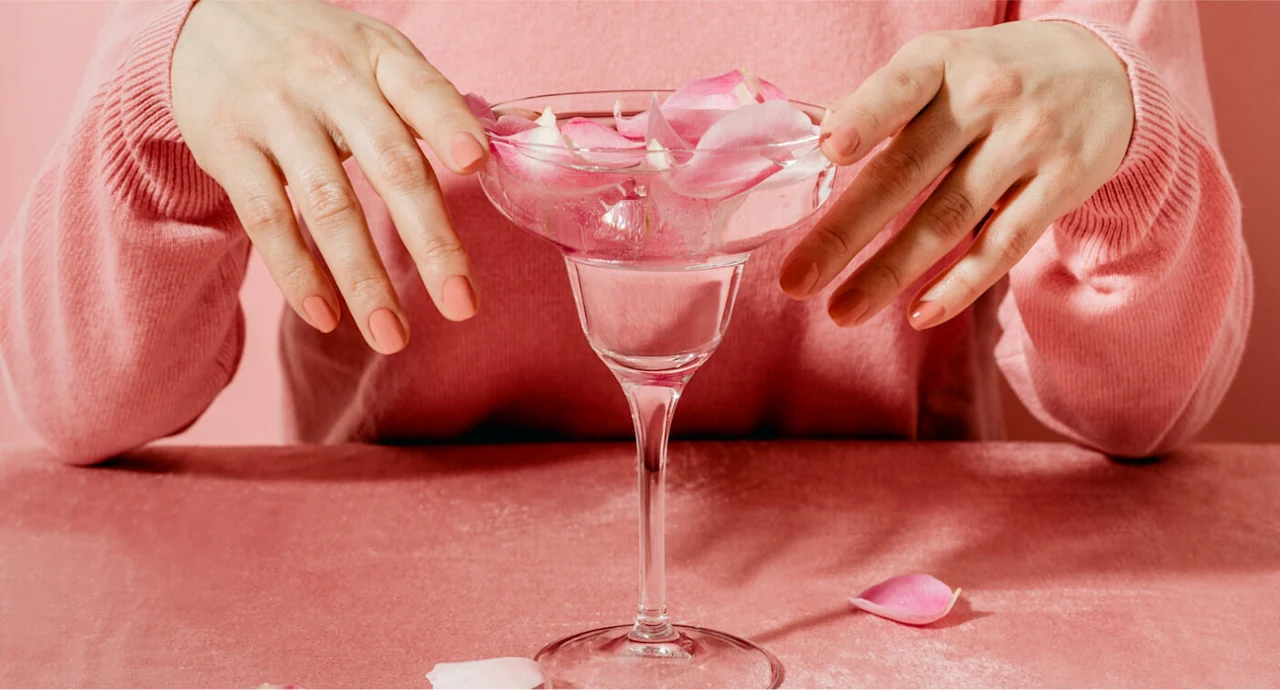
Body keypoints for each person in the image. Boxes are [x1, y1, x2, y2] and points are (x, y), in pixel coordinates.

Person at [0, 0, 1251, 465]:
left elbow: (1145, 412)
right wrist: (163, 77)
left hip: (884, 578)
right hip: (394, 590)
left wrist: (1124, 119)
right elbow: (80, 402)